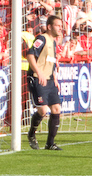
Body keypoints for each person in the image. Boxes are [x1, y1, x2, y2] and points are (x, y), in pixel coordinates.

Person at [26, 16, 65, 151]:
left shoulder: (53, 42)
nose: (61, 28)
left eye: (61, 25)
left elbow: (50, 60)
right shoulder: (41, 39)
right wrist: (39, 72)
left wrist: (54, 77)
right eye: (58, 25)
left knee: (56, 109)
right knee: (42, 110)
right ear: (49, 26)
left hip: (49, 80)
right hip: (37, 78)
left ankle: (50, 143)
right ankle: (31, 134)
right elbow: (30, 55)